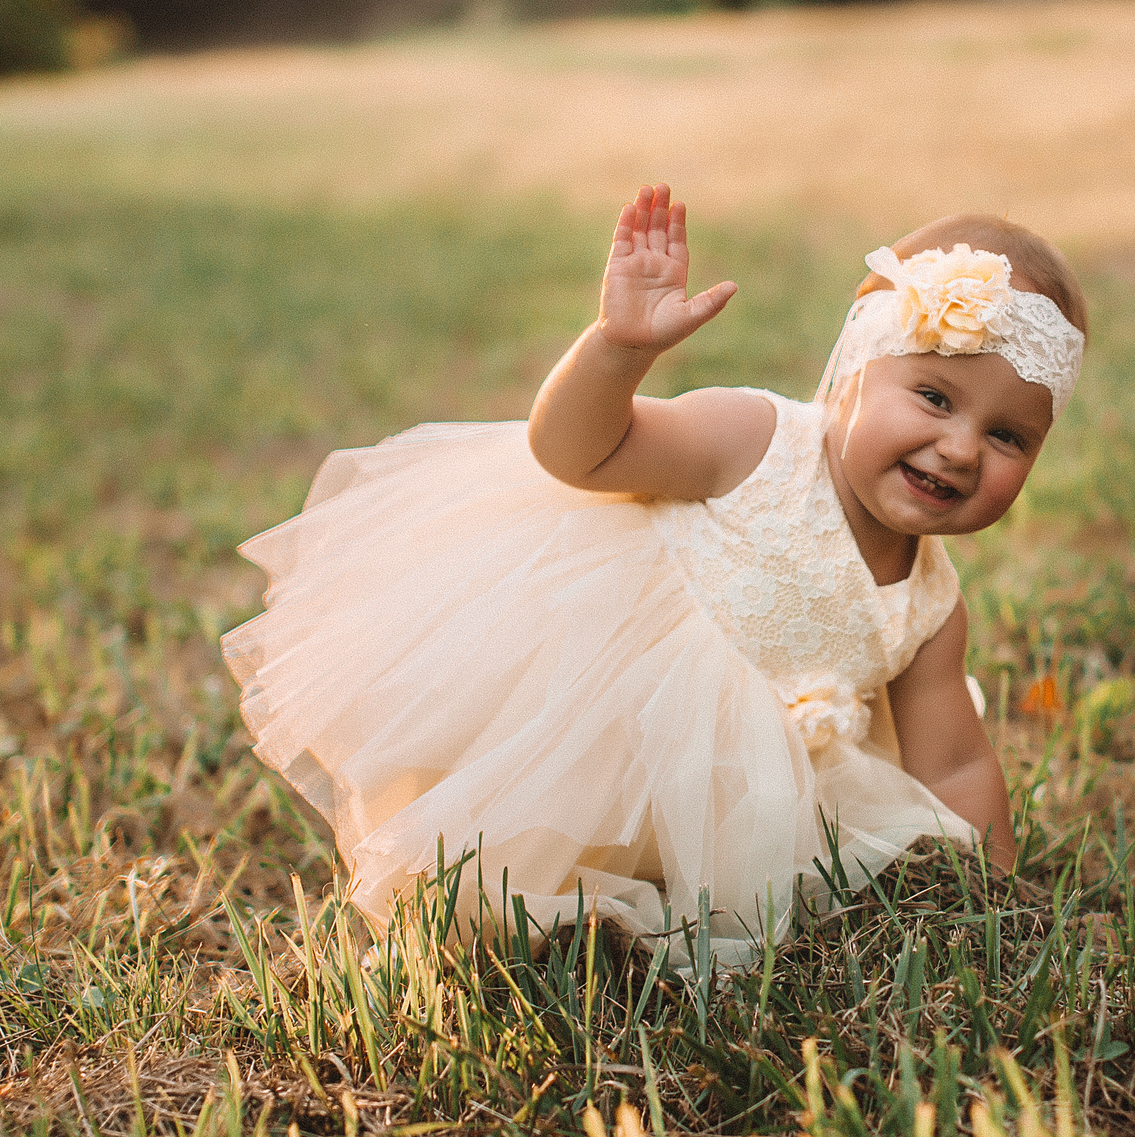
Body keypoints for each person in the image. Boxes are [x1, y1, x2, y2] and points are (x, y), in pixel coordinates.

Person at [222, 185, 1088, 965]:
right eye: (934, 397)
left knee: (753, 889)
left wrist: (995, 899)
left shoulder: (931, 604)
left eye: (1008, 435)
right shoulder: (751, 441)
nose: (962, 446)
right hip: (607, 707)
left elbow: (953, 766)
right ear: (855, 371)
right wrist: (617, 348)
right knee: (507, 881)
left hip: (747, 782)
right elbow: (577, 451)